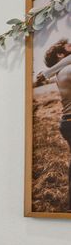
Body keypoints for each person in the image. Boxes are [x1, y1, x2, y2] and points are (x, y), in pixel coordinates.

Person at [37, 38, 71, 210]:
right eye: (68, 46)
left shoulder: (61, 72)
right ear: (60, 54)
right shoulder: (66, 71)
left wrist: (48, 72)